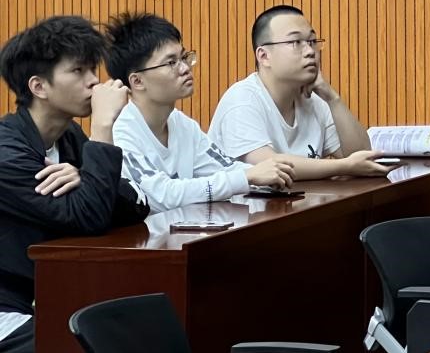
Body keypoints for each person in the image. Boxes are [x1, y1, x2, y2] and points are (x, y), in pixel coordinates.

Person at [0, 17, 150, 353]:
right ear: (39, 86)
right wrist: (103, 128)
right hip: (6, 309)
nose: (94, 81)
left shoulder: (67, 138)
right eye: (79, 71)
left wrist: (85, 175)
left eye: (93, 69)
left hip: (44, 298)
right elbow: (89, 217)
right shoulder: (7, 153)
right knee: (95, 346)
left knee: (140, 332)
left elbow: (137, 204)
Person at [102, 13, 295, 212]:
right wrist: (247, 177)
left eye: (184, 57)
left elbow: (226, 169)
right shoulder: (121, 134)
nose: (185, 68)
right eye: (171, 63)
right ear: (137, 81)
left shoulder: (182, 124)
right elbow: (160, 196)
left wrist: (269, 174)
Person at [208, 5, 394, 180]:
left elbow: (363, 159)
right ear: (264, 56)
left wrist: (333, 98)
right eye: (296, 42)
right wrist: (344, 166)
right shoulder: (242, 100)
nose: (310, 51)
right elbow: (269, 166)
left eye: (312, 41)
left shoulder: (314, 101)